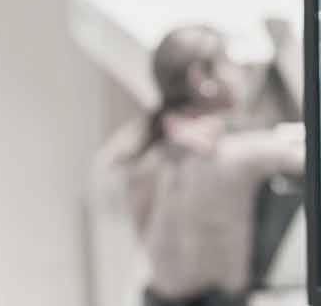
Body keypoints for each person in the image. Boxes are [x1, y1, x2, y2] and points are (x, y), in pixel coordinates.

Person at [118, 25, 305, 306]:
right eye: (230, 62)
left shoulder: (143, 155)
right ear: (201, 78)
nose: (242, 73)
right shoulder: (235, 156)